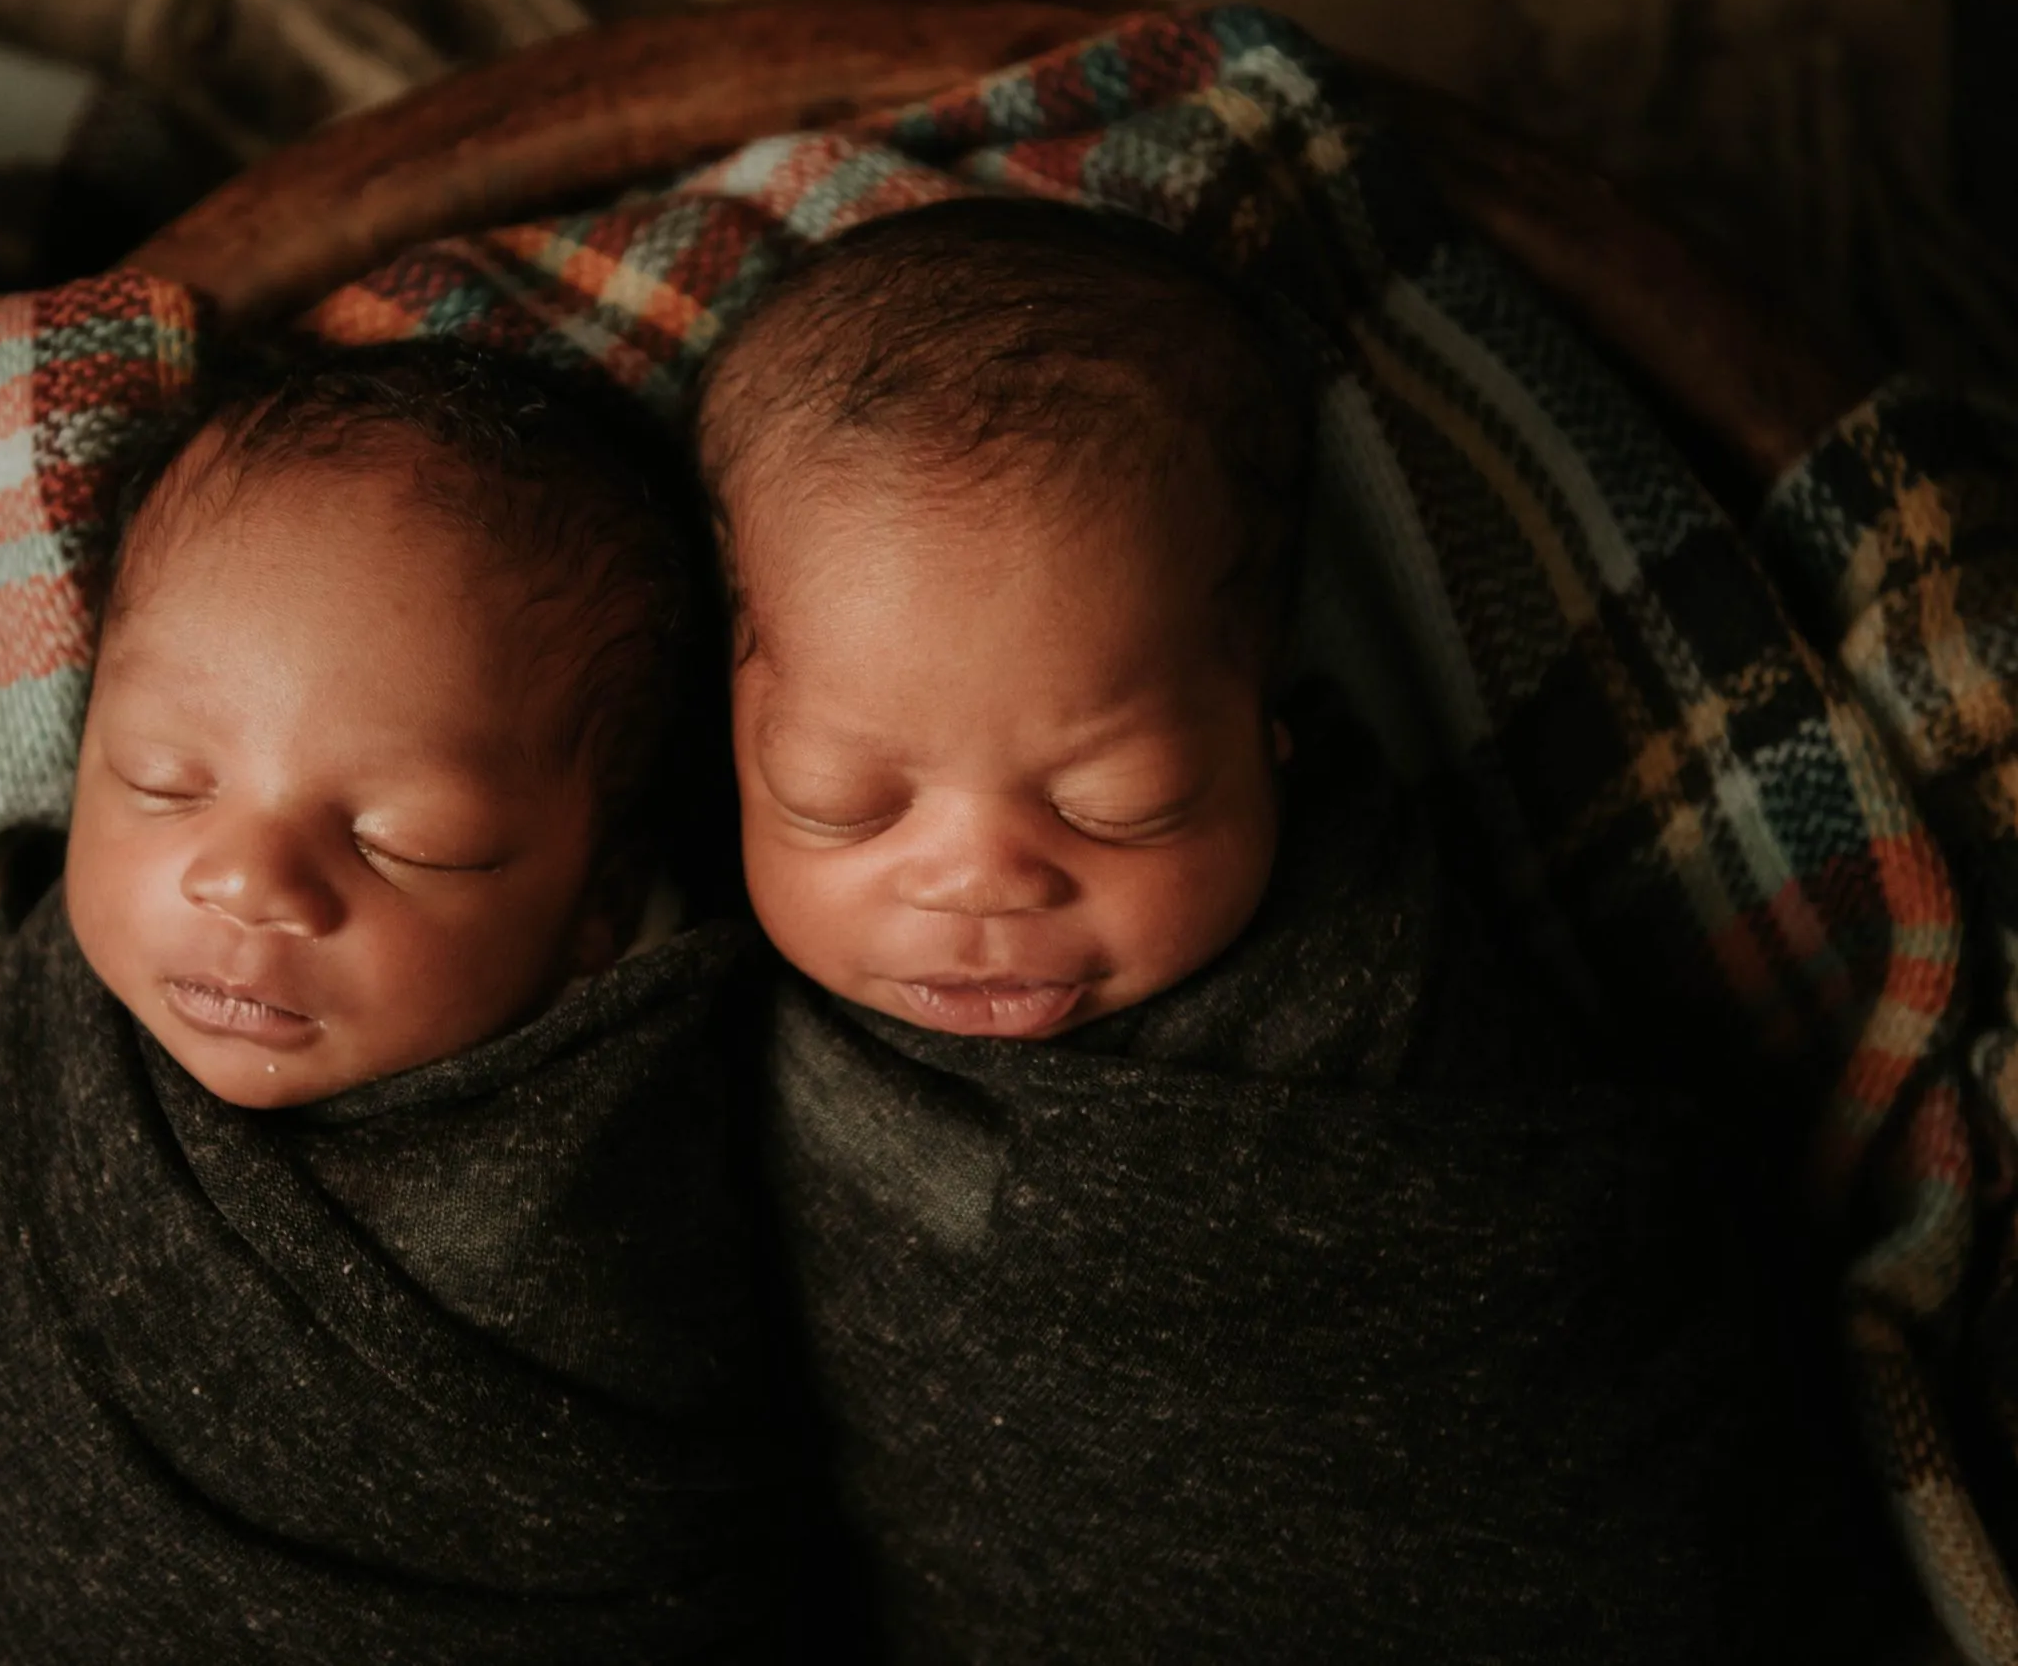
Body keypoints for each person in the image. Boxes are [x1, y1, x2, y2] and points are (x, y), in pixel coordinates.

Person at [695, 196, 1861, 1662]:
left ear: (1270, 721)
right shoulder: (699, 999)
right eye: (842, 801)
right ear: (726, 729)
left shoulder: (1383, 968)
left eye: (1125, 801)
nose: (982, 885)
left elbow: (1610, 1289)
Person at [0, 336, 786, 1663]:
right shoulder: (49, 1056)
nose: (245, 880)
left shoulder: (656, 1164)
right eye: (163, 780)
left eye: (408, 840)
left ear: (602, 907)